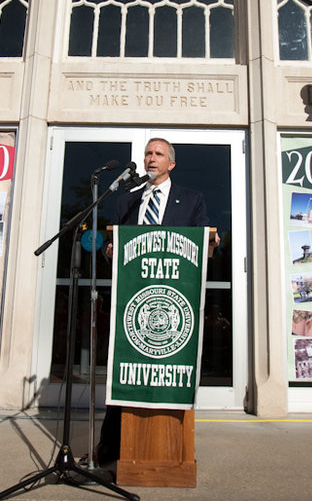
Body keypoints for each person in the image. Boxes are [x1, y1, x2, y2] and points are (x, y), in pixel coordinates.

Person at [95, 137, 219, 468]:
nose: (151, 158)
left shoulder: (192, 200)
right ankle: (114, 444)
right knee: (127, 370)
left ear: (171, 164)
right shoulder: (127, 202)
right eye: (148, 153)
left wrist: (214, 244)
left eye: (158, 154)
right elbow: (117, 248)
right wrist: (111, 252)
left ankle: (174, 449)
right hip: (133, 306)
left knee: (168, 373)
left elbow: (205, 245)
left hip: (173, 304)